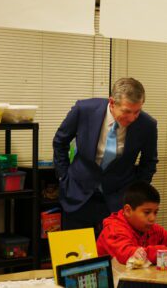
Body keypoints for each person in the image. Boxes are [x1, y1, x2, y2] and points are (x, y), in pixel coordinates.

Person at [53, 77, 158, 237]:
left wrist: (135, 194)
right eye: (126, 111)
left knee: (114, 257)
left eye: (137, 111)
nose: (132, 118)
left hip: (117, 201)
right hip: (78, 194)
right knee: (75, 257)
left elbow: (149, 162)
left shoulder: (147, 125)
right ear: (112, 102)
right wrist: (63, 177)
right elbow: (60, 142)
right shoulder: (84, 110)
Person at [96, 181, 167, 265]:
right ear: (128, 211)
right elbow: (133, 256)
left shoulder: (151, 228)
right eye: (147, 212)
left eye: (155, 212)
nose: (153, 218)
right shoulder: (113, 230)